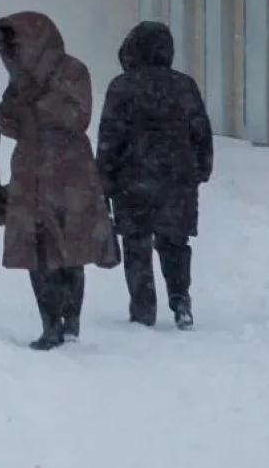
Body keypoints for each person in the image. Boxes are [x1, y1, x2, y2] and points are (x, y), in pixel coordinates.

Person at [0, 11, 114, 350]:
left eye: (17, 41)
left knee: (71, 248)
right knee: (38, 250)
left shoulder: (73, 70)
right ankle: (50, 324)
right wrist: (13, 111)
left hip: (69, 172)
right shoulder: (19, 78)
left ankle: (70, 319)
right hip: (31, 171)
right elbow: (7, 121)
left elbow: (78, 116)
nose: (13, 50)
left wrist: (35, 108)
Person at [96, 21, 213, 331]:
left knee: (137, 243)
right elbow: (201, 131)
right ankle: (180, 299)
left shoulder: (122, 87)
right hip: (178, 179)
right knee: (175, 241)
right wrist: (201, 168)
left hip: (132, 181)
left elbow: (110, 137)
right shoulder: (184, 86)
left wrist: (103, 180)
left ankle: (143, 309)